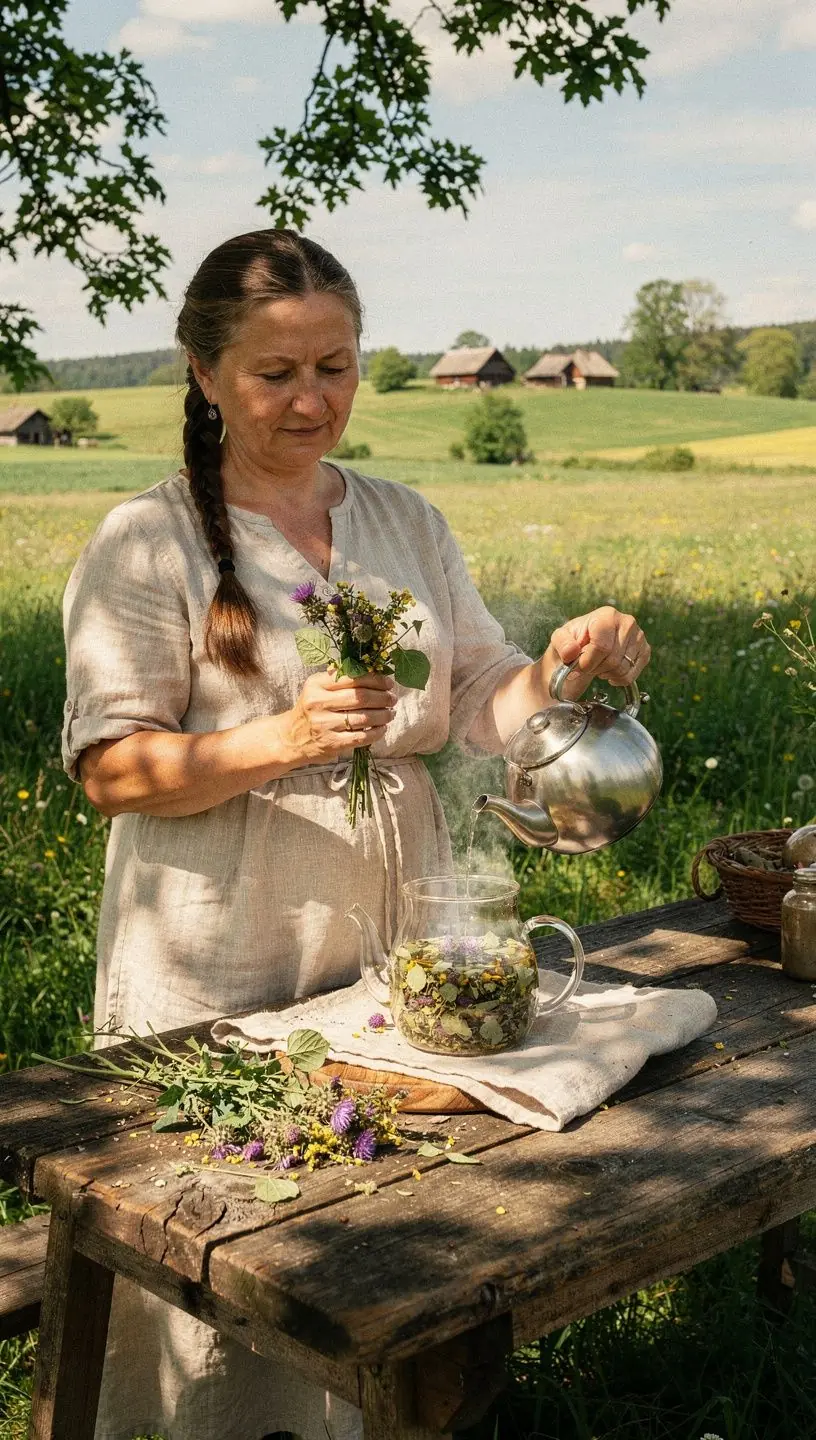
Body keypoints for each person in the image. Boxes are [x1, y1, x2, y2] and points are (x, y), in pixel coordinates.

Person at [61, 229, 651, 1440]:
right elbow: (113, 769)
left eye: (336, 366)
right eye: (276, 372)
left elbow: (487, 689)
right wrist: (276, 739)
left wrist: (568, 678)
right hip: (219, 940)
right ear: (203, 372)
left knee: (381, 1232)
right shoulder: (147, 540)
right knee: (228, 1227)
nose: (311, 399)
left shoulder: (404, 520)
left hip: (394, 934)